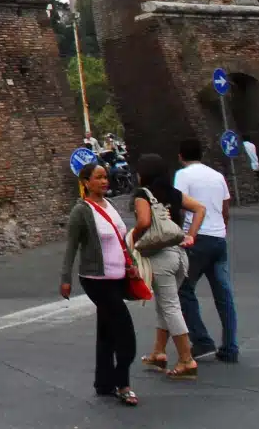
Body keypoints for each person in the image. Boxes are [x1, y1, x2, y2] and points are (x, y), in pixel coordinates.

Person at [61, 161, 139, 406]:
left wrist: (131, 263)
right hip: (96, 279)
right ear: (86, 182)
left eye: (105, 177)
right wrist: (65, 280)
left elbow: (121, 238)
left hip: (118, 277)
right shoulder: (81, 211)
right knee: (125, 335)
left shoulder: (111, 205)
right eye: (98, 178)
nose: (104, 181)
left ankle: (104, 383)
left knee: (106, 331)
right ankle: (122, 383)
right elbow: (71, 247)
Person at [131, 153, 206, 380]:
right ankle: (158, 353)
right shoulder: (173, 193)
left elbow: (144, 222)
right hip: (180, 254)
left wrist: (132, 240)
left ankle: (186, 359)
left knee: (170, 306)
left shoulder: (142, 195)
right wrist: (190, 235)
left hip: (161, 256)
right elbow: (200, 208)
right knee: (165, 305)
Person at [175, 138, 238, 362]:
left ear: (181, 156)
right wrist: (221, 230)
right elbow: (225, 209)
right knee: (224, 294)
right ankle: (230, 346)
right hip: (218, 237)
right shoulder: (217, 176)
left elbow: (180, 206)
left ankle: (202, 340)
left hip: (197, 238)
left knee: (184, 288)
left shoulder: (182, 176)